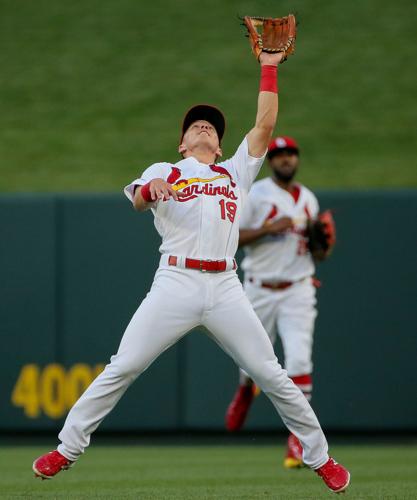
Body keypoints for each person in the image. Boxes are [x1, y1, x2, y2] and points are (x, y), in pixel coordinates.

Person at [32, 52, 349, 493]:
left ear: (219, 145)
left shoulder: (235, 172)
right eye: (195, 125)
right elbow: (140, 198)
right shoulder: (167, 170)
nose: (204, 127)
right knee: (124, 365)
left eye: (211, 126)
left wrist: (269, 65)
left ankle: (320, 457)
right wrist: (150, 189)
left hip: (225, 286)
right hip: (175, 283)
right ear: (182, 143)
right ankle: (67, 449)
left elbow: (264, 126)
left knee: (272, 373)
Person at [225, 136, 332, 469]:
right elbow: (232, 237)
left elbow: (319, 253)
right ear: (270, 161)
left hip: (298, 289)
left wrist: (322, 244)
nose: (286, 159)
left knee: (299, 360)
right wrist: (271, 227)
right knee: (252, 360)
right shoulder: (256, 194)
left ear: (297, 159)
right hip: (259, 288)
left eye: (290, 154)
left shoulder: (309, 200)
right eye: (279, 154)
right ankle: (245, 388)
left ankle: (298, 441)